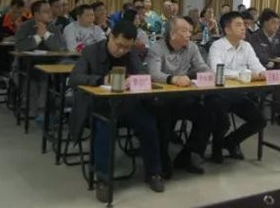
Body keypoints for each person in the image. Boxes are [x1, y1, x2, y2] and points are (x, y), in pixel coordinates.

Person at [69, 21, 165, 196]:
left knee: (149, 124)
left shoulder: (131, 54)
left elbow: (142, 74)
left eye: (127, 47)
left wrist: (134, 80)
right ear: (111, 37)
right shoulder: (91, 51)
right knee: (105, 127)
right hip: (98, 106)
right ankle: (103, 179)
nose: (121, 51)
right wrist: (100, 80)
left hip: (125, 105)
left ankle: (154, 172)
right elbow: (75, 78)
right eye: (119, 45)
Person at [149, 17, 215, 176]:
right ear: (172, 34)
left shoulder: (192, 47)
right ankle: (162, 159)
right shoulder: (157, 48)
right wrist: (173, 79)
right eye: (184, 31)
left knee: (207, 115)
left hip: (183, 97)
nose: (189, 35)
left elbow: (201, 66)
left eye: (190, 31)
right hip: (161, 98)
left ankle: (187, 155)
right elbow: (153, 73)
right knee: (164, 118)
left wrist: (211, 75)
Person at [207, 11, 267, 162]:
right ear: (227, 29)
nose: (244, 28)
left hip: (237, 94)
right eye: (239, 25)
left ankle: (230, 142)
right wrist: (243, 75)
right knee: (223, 121)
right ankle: (216, 149)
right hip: (217, 93)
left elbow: (257, 66)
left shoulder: (246, 46)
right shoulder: (217, 46)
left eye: (244, 25)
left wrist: (262, 73)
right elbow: (217, 71)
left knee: (259, 120)